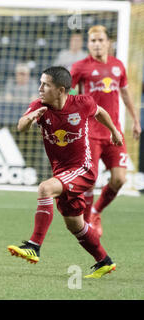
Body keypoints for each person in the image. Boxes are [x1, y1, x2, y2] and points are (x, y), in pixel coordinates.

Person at [7, 66, 123, 279]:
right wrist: (32, 116)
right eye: (41, 83)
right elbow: (21, 126)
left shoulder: (82, 103)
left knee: (45, 188)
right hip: (62, 172)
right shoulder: (39, 106)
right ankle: (104, 261)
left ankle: (34, 245)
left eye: (46, 84)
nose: (40, 88)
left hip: (83, 169)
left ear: (61, 90)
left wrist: (114, 131)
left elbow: (100, 112)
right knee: (75, 224)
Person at [71, 25, 142, 237]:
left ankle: (95, 212)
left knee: (120, 179)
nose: (97, 44)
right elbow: (68, 92)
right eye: (93, 41)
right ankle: (86, 221)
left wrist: (136, 120)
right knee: (89, 180)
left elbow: (126, 95)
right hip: (90, 132)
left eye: (100, 40)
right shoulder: (80, 67)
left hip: (114, 133)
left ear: (108, 42)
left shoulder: (118, 65)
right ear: (88, 43)